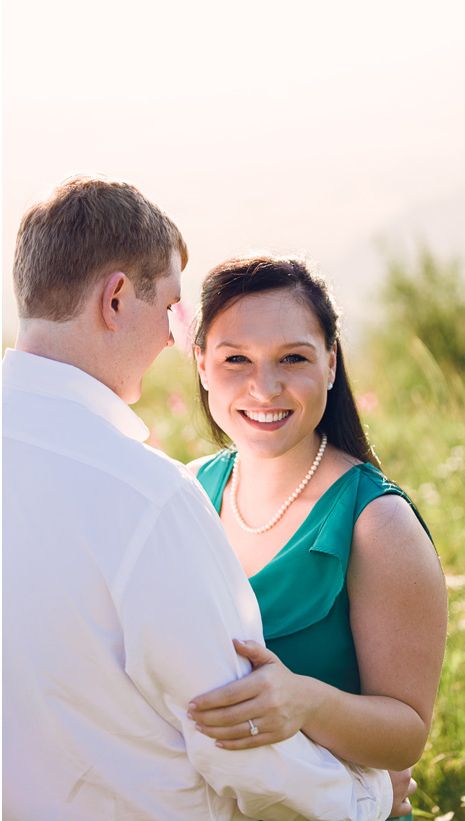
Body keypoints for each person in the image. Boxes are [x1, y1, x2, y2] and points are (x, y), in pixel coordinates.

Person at [3, 175, 411, 820]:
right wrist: (367, 795)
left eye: (295, 358)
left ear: (333, 361)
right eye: (171, 309)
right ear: (115, 300)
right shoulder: (162, 496)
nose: (169, 335)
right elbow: (223, 732)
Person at [185, 255, 448, 821]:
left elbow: (406, 738)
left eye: (293, 358)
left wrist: (305, 702)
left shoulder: (376, 523)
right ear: (202, 364)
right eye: (236, 359)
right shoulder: (186, 492)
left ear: (330, 363)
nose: (265, 386)